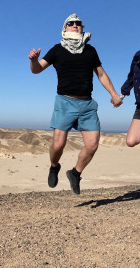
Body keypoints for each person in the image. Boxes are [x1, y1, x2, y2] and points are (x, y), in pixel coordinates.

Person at [28, 13, 122, 195]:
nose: (75, 25)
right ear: (65, 28)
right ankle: (54, 166)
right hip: (65, 102)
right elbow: (37, 69)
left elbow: (101, 74)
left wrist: (113, 94)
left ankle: (75, 173)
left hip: (87, 104)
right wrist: (33, 61)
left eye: (78, 23)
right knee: (58, 145)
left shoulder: (90, 50)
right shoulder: (57, 49)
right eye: (71, 23)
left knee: (92, 145)